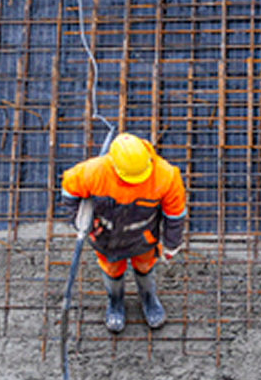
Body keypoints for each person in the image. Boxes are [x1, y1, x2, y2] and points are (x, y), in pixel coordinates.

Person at [60, 132, 187, 332]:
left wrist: (172, 243)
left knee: (145, 267)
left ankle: (148, 300)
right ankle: (115, 302)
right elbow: (69, 191)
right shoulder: (93, 172)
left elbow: (175, 215)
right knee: (112, 270)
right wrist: (81, 222)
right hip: (106, 237)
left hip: (143, 238)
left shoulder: (166, 176)